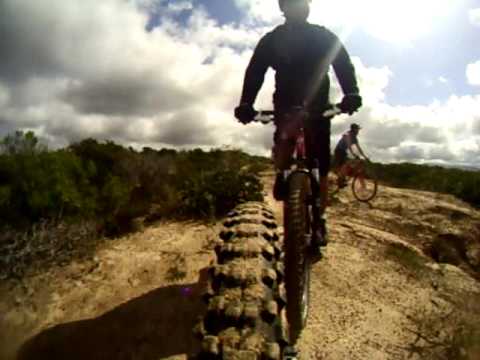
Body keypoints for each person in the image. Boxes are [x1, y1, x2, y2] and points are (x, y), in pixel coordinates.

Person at [234, 0, 362, 251]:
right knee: (287, 145)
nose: (300, 6)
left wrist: (352, 93)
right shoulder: (273, 39)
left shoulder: (322, 36)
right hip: (289, 105)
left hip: (315, 106)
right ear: (284, 9)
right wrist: (245, 103)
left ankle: (320, 219)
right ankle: (283, 174)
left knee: (322, 167)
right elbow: (255, 72)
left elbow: (342, 64)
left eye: (302, 2)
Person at [334, 123, 369, 188]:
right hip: (339, 150)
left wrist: (364, 156)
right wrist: (353, 154)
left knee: (346, 165)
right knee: (344, 166)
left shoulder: (355, 138)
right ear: (354, 129)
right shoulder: (348, 134)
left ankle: (341, 180)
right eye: (357, 129)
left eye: (358, 129)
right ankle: (340, 179)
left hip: (343, 152)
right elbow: (349, 145)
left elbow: (359, 147)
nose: (358, 131)